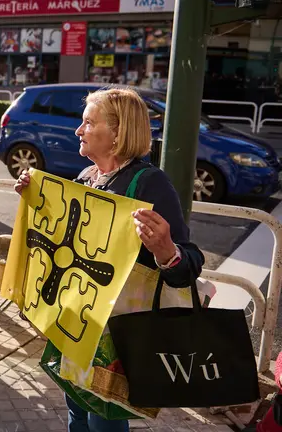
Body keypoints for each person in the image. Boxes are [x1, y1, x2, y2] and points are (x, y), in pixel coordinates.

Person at [14, 88, 204, 432]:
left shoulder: (150, 184)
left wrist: (165, 249)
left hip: (117, 336)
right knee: (77, 413)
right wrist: (36, 195)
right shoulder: (87, 178)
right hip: (76, 326)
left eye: (88, 122)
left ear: (118, 133)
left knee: (103, 422)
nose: (78, 130)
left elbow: (190, 263)